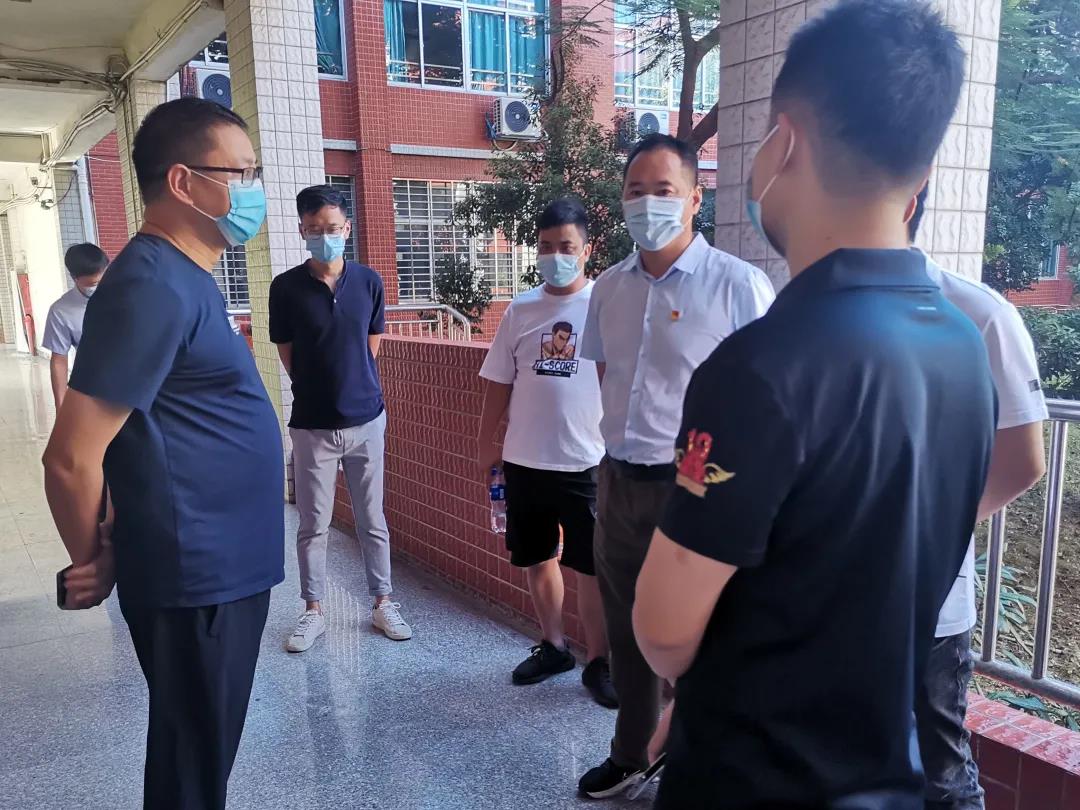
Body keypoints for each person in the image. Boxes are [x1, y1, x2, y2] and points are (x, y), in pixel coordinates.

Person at [631, 2, 998, 807]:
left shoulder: (761, 368)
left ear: (785, 142)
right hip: (887, 775)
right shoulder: (964, 348)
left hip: (753, 781)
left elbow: (663, 630)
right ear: (920, 173)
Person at [42, 97, 284, 810]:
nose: (253, 191)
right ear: (182, 182)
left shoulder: (183, 276)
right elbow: (71, 456)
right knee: (191, 771)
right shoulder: (151, 283)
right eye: (240, 173)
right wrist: (93, 557)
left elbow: (148, 428)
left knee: (200, 758)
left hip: (219, 567)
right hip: (196, 576)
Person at [577, 134, 775, 799]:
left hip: (697, 486)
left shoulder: (738, 286)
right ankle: (632, 752)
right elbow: (609, 377)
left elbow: (763, 398)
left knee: (703, 632)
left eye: (664, 190)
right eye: (635, 190)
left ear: (695, 198)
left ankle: (699, 761)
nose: (648, 203)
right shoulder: (608, 289)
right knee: (627, 626)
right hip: (618, 481)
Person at [909, 186, 1047, 810]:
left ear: (908, 198)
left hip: (930, 600)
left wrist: (925, 535)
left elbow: (1023, 460)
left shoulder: (978, 313)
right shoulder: (808, 315)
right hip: (833, 595)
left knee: (941, 768)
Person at [476, 197, 615, 708]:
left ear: (587, 250)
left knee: (591, 567)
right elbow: (498, 382)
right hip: (525, 460)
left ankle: (599, 661)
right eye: (547, 246)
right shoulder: (521, 309)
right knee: (537, 557)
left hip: (588, 461)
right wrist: (486, 444)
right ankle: (554, 646)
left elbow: (618, 381)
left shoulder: (604, 306)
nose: (557, 256)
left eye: (567, 246)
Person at [269, 184, 410, 652]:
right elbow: (288, 354)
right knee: (314, 524)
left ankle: (383, 602)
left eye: (331, 228)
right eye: (314, 229)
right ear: (302, 231)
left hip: (367, 421)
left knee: (373, 519)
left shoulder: (369, 282)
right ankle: (313, 611)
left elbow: (370, 348)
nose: (323, 236)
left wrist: (352, 391)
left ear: (347, 229)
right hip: (312, 425)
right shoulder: (285, 288)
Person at [42, 242, 108, 410]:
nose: (98, 287)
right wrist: (60, 406)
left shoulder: (124, 295)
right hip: (93, 387)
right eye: (92, 284)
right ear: (74, 277)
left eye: (102, 280)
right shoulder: (61, 311)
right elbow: (59, 360)